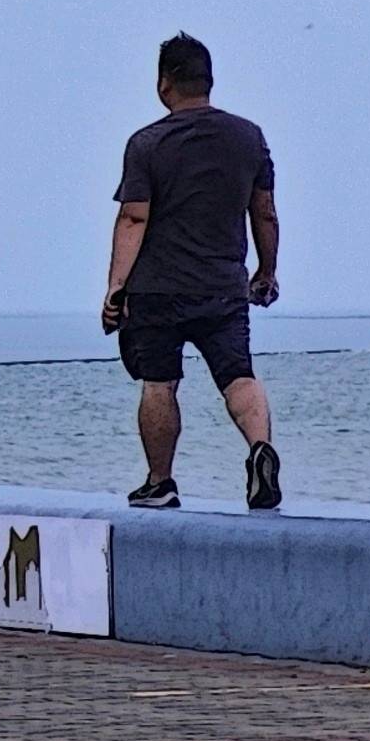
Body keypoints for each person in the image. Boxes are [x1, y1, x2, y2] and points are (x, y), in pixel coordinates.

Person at [106, 32, 284, 512]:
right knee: (238, 376)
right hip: (224, 287)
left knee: (160, 382)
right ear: (209, 81)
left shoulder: (146, 143)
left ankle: (160, 482)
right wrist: (266, 272)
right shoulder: (248, 137)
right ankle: (259, 450)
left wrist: (115, 287)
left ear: (165, 84)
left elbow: (133, 217)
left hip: (158, 290)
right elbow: (264, 212)